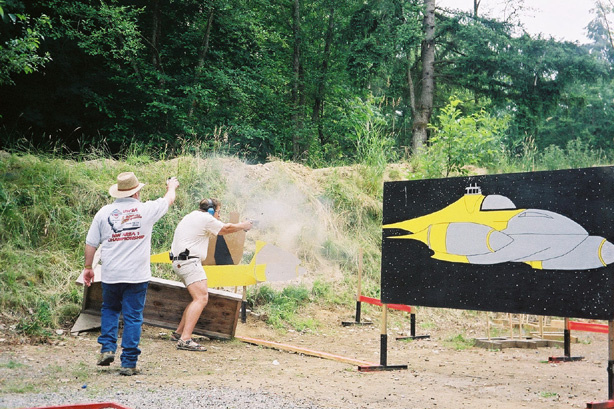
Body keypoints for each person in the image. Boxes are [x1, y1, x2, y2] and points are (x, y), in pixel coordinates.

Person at [82, 172, 179, 375]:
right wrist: (171, 186)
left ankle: (107, 348)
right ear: (136, 192)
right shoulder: (146, 209)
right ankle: (128, 363)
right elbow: (169, 199)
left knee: (110, 309)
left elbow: (91, 243)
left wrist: (88, 267)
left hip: (111, 274)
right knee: (133, 317)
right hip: (136, 276)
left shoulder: (104, 212)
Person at [170, 198, 253, 351]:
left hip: (182, 261)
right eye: (218, 212)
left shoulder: (192, 216)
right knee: (201, 298)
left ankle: (179, 333)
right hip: (189, 262)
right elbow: (226, 229)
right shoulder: (205, 218)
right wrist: (244, 225)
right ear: (210, 210)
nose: (219, 216)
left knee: (197, 298)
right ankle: (185, 339)